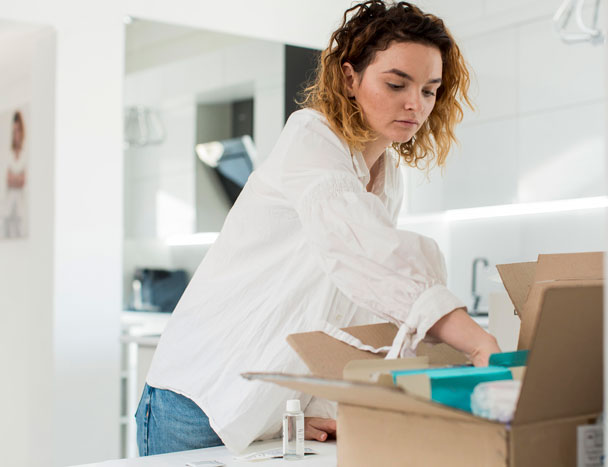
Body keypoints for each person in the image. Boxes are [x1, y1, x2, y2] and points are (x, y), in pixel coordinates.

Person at [136, 0, 502, 456]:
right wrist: (476, 340)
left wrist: (312, 405)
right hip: (199, 399)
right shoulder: (311, 138)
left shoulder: (386, 179)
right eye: (396, 83)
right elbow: (365, 255)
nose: (415, 104)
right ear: (350, 78)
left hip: (271, 407)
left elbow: (346, 301)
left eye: (430, 90)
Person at [5, 110, 27, 238]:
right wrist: (16, 179)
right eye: (14, 131)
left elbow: (23, 180)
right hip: (9, 206)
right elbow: (8, 179)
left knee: (19, 230)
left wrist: (16, 178)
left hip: (20, 207)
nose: (16, 135)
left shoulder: (25, 154)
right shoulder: (9, 155)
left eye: (18, 130)